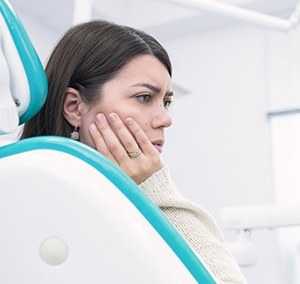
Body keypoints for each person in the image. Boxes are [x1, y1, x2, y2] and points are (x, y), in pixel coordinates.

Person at [21, 20, 247, 283]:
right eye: (143, 98)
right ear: (74, 107)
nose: (165, 119)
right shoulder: (29, 200)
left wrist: (154, 187)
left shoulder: (126, 206)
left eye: (167, 102)